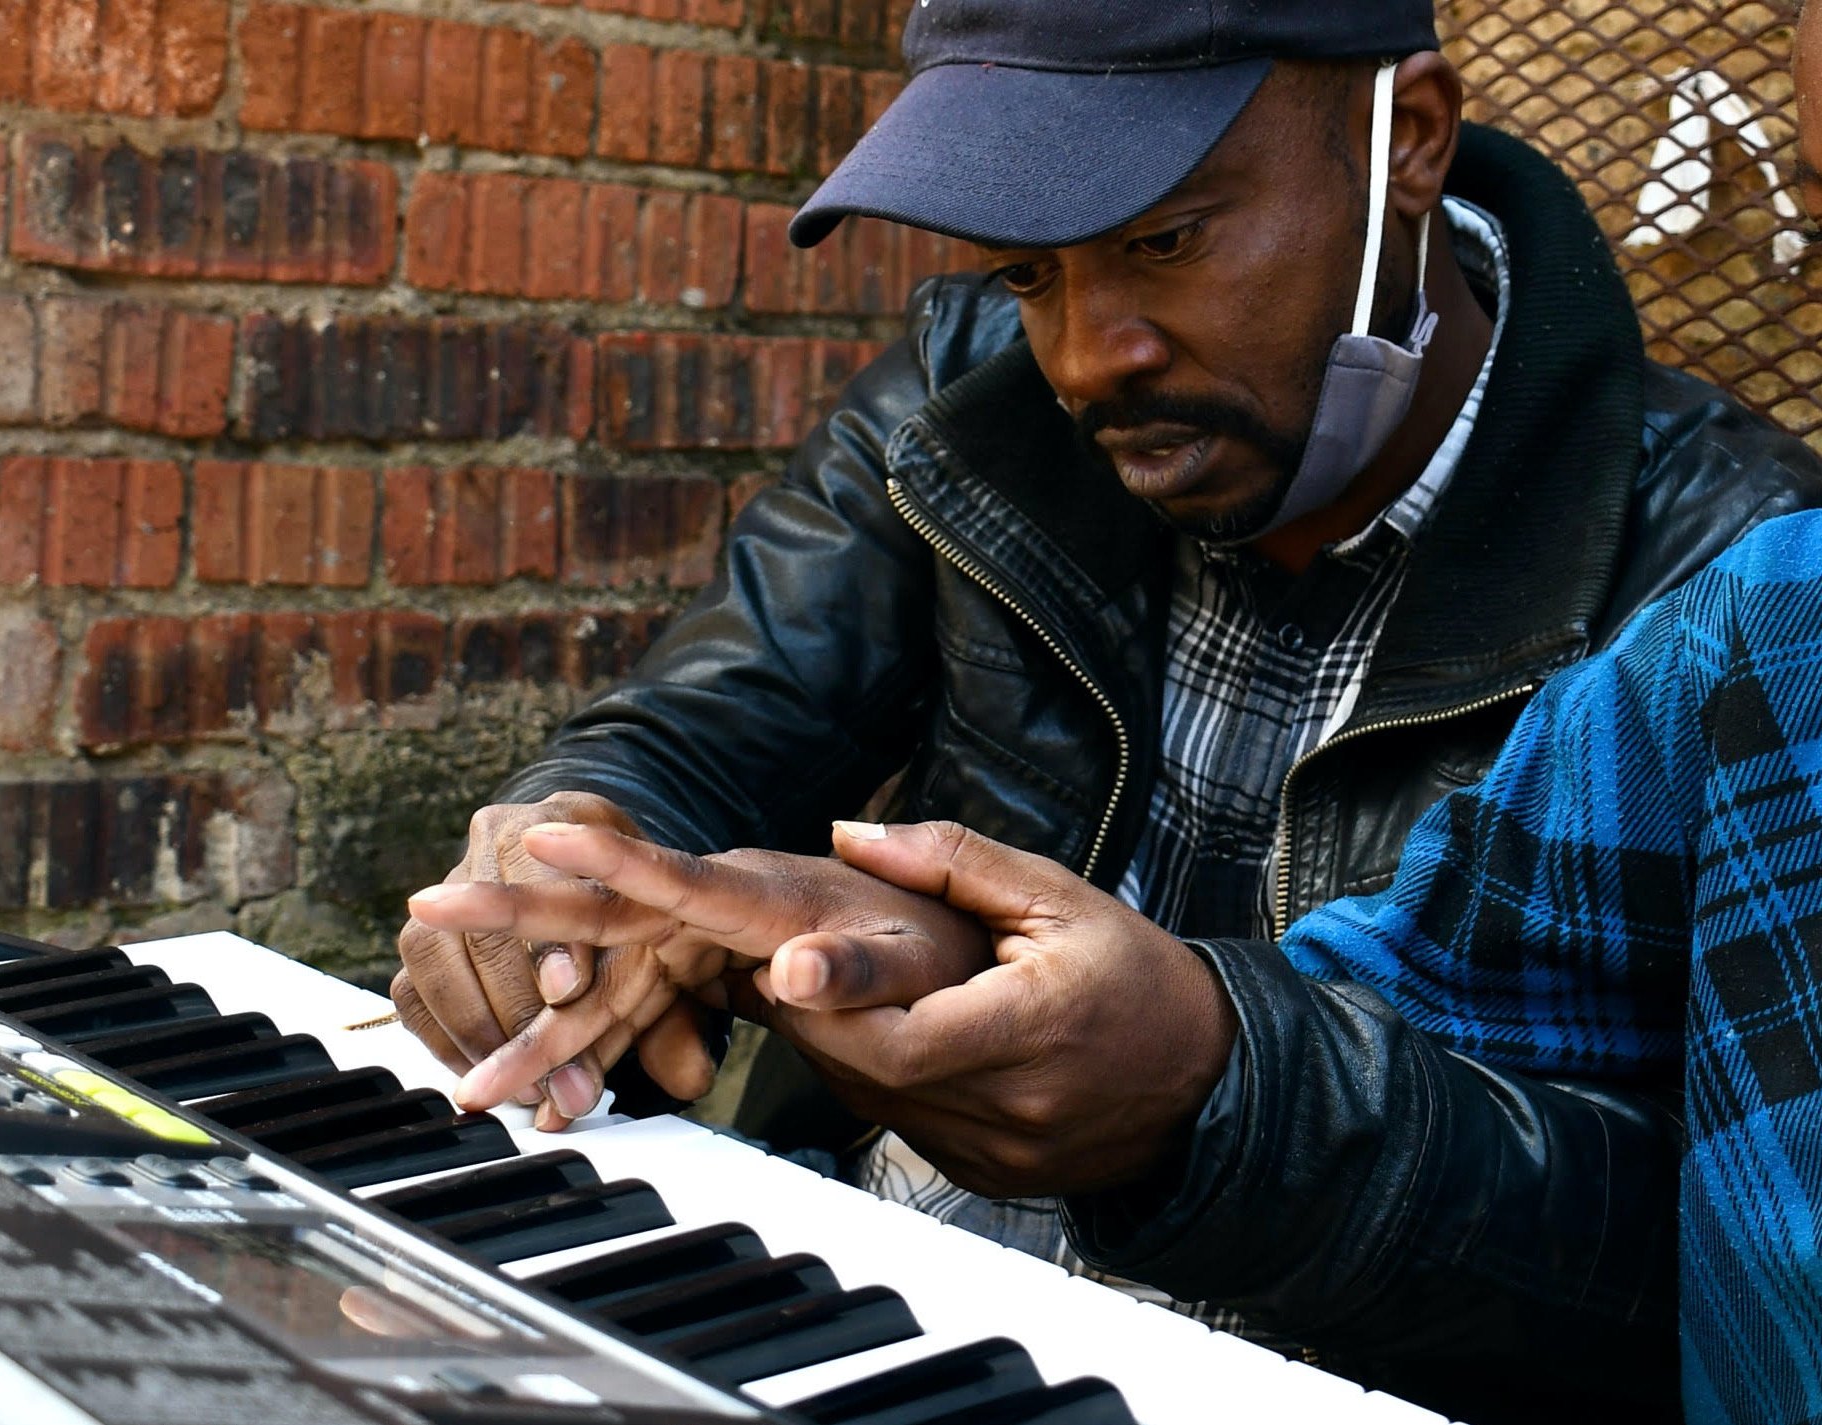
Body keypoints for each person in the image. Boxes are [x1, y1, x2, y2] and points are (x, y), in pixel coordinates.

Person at [397, 1, 1822, 1418]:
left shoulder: (1730, 577)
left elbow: (1696, 1255)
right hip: (859, 1294)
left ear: (1414, 141)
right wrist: (577, 859)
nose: (1088, 355)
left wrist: (1201, 1101)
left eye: (1166, 240)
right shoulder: (972, 392)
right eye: (1030, 269)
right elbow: (716, 720)